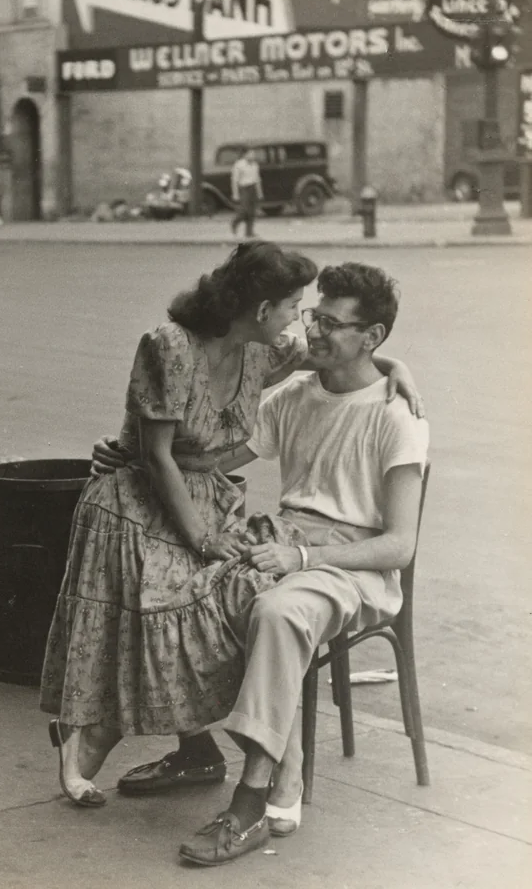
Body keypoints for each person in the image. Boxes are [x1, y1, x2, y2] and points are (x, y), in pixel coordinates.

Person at [39, 241, 421, 809]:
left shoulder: (273, 358)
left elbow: (349, 361)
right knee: (176, 605)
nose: (305, 325)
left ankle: (223, 763)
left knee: (209, 603)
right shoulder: (187, 351)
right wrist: (171, 499)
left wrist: (398, 366)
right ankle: (111, 740)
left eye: (315, 314)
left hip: (251, 524)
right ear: (262, 309)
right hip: (144, 507)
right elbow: (178, 457)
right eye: (300, 309)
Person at [177, 262, 428, 865]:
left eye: (333, 325)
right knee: (186, 586)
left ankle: (252, 801)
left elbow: (399, 546)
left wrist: (303, 557)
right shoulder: (295, 396)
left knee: (281, 610)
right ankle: (205, 750)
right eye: (314, 315)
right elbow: (215, 458)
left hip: (355, 564)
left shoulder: (397, 416)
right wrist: (149, 449)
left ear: (372, 338)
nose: (314, 332)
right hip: (287, 541)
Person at [230, 147, 261, 238]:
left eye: (254, 154)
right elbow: (235, 180)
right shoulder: (239, 165)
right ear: (245, 155)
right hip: (244, 188)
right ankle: (235, 222)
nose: (253, 156)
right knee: (245, 210)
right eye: (251, 154)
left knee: (252, 211)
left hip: (253, 188)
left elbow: (257, 179)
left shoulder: (255, 165)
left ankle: (249, 232)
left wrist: (259, 192)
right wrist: (235, 193)